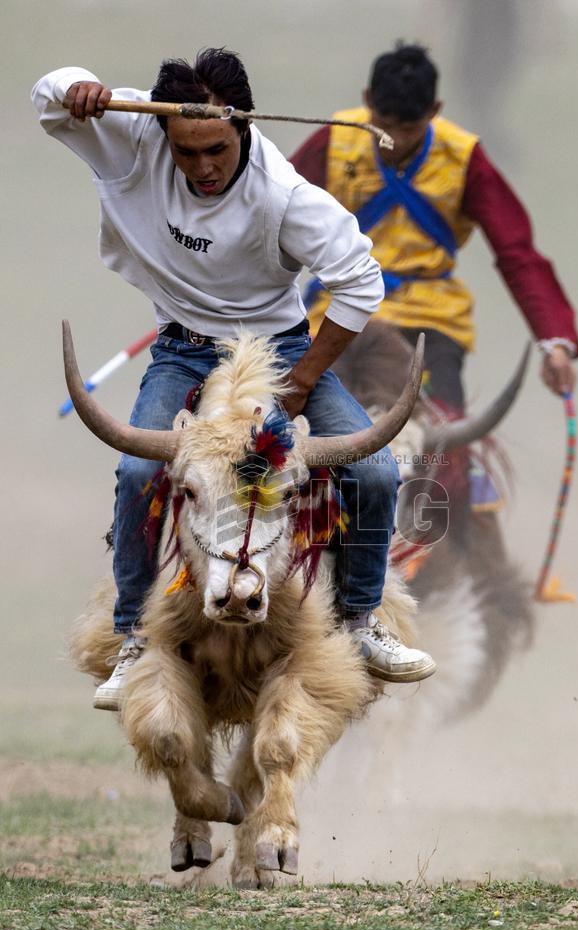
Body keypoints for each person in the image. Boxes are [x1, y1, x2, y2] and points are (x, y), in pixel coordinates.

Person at [32, 47, 436, 710]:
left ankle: (363, 624)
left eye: (218, 148)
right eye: (186, 152)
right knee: (139, 473)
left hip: (277, 353)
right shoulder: (132, 136)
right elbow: (48, 99)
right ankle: (133, 634)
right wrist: (82, 89)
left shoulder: (283, 194)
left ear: (243, 127)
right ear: (162, 133)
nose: (204, 167)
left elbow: (361, 283)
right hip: (181, 349)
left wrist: (304, 379)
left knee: (377, 472)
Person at [290, 44, 578, 444]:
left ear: (435, 110)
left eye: (407, 129)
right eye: (383, 124)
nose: (391, 139)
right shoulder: (336, 140)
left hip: (429, 317)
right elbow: (274, 218)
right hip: (338, 309)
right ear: (367, 102)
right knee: (295, 430)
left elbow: (518, 253)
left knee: (448, 445)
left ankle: (460, 505)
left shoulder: (464, 158)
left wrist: (555, 342)